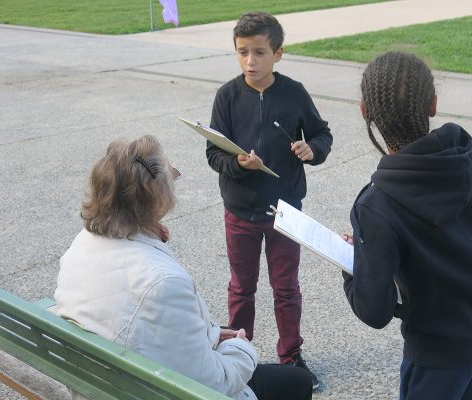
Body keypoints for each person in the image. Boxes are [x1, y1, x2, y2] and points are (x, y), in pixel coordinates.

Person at [54, 135, 313, 400]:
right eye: (172, 176)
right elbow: (214, 385)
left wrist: (209, 335)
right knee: (296, 381)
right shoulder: (162, 282)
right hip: (151, 390)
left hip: (109, 380)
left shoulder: (82, 244)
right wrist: (242, 348)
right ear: (156, 196)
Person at [341, 52, 472, 400]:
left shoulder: (376, 206)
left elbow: (374, 309)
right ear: (432, 104)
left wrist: (352, 266)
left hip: (437, 353)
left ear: (365, 111)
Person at [206, 11, 333, 389]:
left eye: (259, 52)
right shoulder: (227, 96)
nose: (250, 61)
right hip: (240, 212)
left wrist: (312, 148)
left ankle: (291, 357)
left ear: (278, 54)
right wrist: (239, 164)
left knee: (286, 288)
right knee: (241, 288)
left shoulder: (294, 93)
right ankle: (238, 357)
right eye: (242, 52)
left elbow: (322, 134)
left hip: (285, 213)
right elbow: (214, 155)